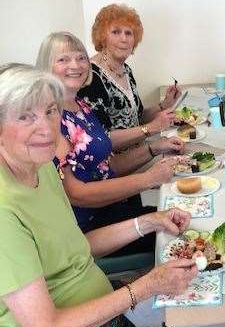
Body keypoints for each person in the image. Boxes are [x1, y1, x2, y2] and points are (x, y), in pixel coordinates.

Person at [0, 64, 225, 327]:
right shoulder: (5, 211)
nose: (46, 129)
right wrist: (145, 286)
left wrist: (148, 222)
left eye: (50, 111)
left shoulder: (42, 167)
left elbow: (77, 246)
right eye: (25, 117)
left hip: (98, 317)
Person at [36, 32, 183, 247]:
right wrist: (149, 179)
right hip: (84, 230)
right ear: (46, 67)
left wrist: (155, 147)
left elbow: (108, 165)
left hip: (109, 208)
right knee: (181, 231)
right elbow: (77, 194)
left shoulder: (80, 106)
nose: (75, 65)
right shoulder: (50, 118)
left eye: (81, 57)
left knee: (184, 210)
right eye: (63, 59)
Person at [78, 3, 180, 150]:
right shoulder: (91, 77)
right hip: (116, 167)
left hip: (139, 153)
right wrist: (151, 128)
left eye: (128, 33)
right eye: (116, 32)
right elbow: (102, 139)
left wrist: (164, 105)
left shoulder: (125, 70)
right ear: (102, 37)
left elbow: (136, 118)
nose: (124, 39)